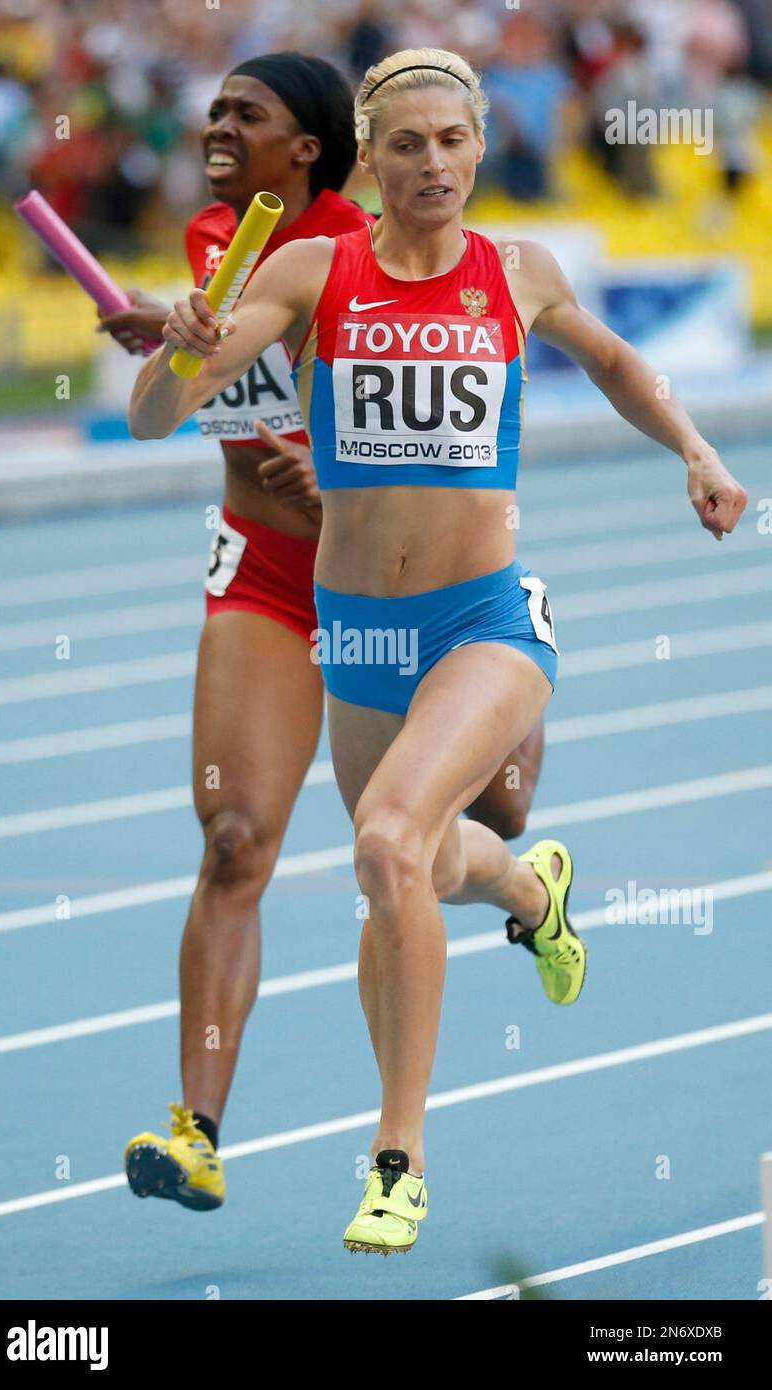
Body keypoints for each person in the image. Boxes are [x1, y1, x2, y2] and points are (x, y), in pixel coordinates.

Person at [128, 46, 748, 1253]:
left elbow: (615, 361)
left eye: (451, 143)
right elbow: (158, 411)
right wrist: (181, 342)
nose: (431, 164)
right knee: (408, 863)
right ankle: (530, 886)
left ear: (478, 150)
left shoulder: (516, 271)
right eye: (404, 144)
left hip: (484, 619)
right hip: (356, 627)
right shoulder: (311, 269)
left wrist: (698, 452)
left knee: (382, 841)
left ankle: (396, 1156)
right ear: (368, 157)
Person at [108, 49, 544, 1218]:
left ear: (313, 147)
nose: (214, 126)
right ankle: (198, 1129)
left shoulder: (381, 234)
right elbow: (181, 387)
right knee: (239, 835)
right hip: (266, 576)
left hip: (420, 596)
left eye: (241, 115)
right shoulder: (222, 241)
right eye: (211, 109)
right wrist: (171, 343)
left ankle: (524, 889)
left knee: (478, 824)